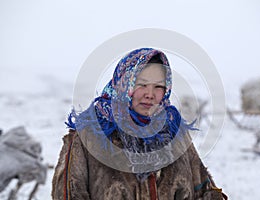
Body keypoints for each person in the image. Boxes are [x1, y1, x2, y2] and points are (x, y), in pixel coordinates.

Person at [52, 48, 227, 200]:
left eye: (158, 86)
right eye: (141, 84)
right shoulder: (88, 137)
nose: (150, 94)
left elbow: (204, 192)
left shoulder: (176, 135)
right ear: (123, 83)